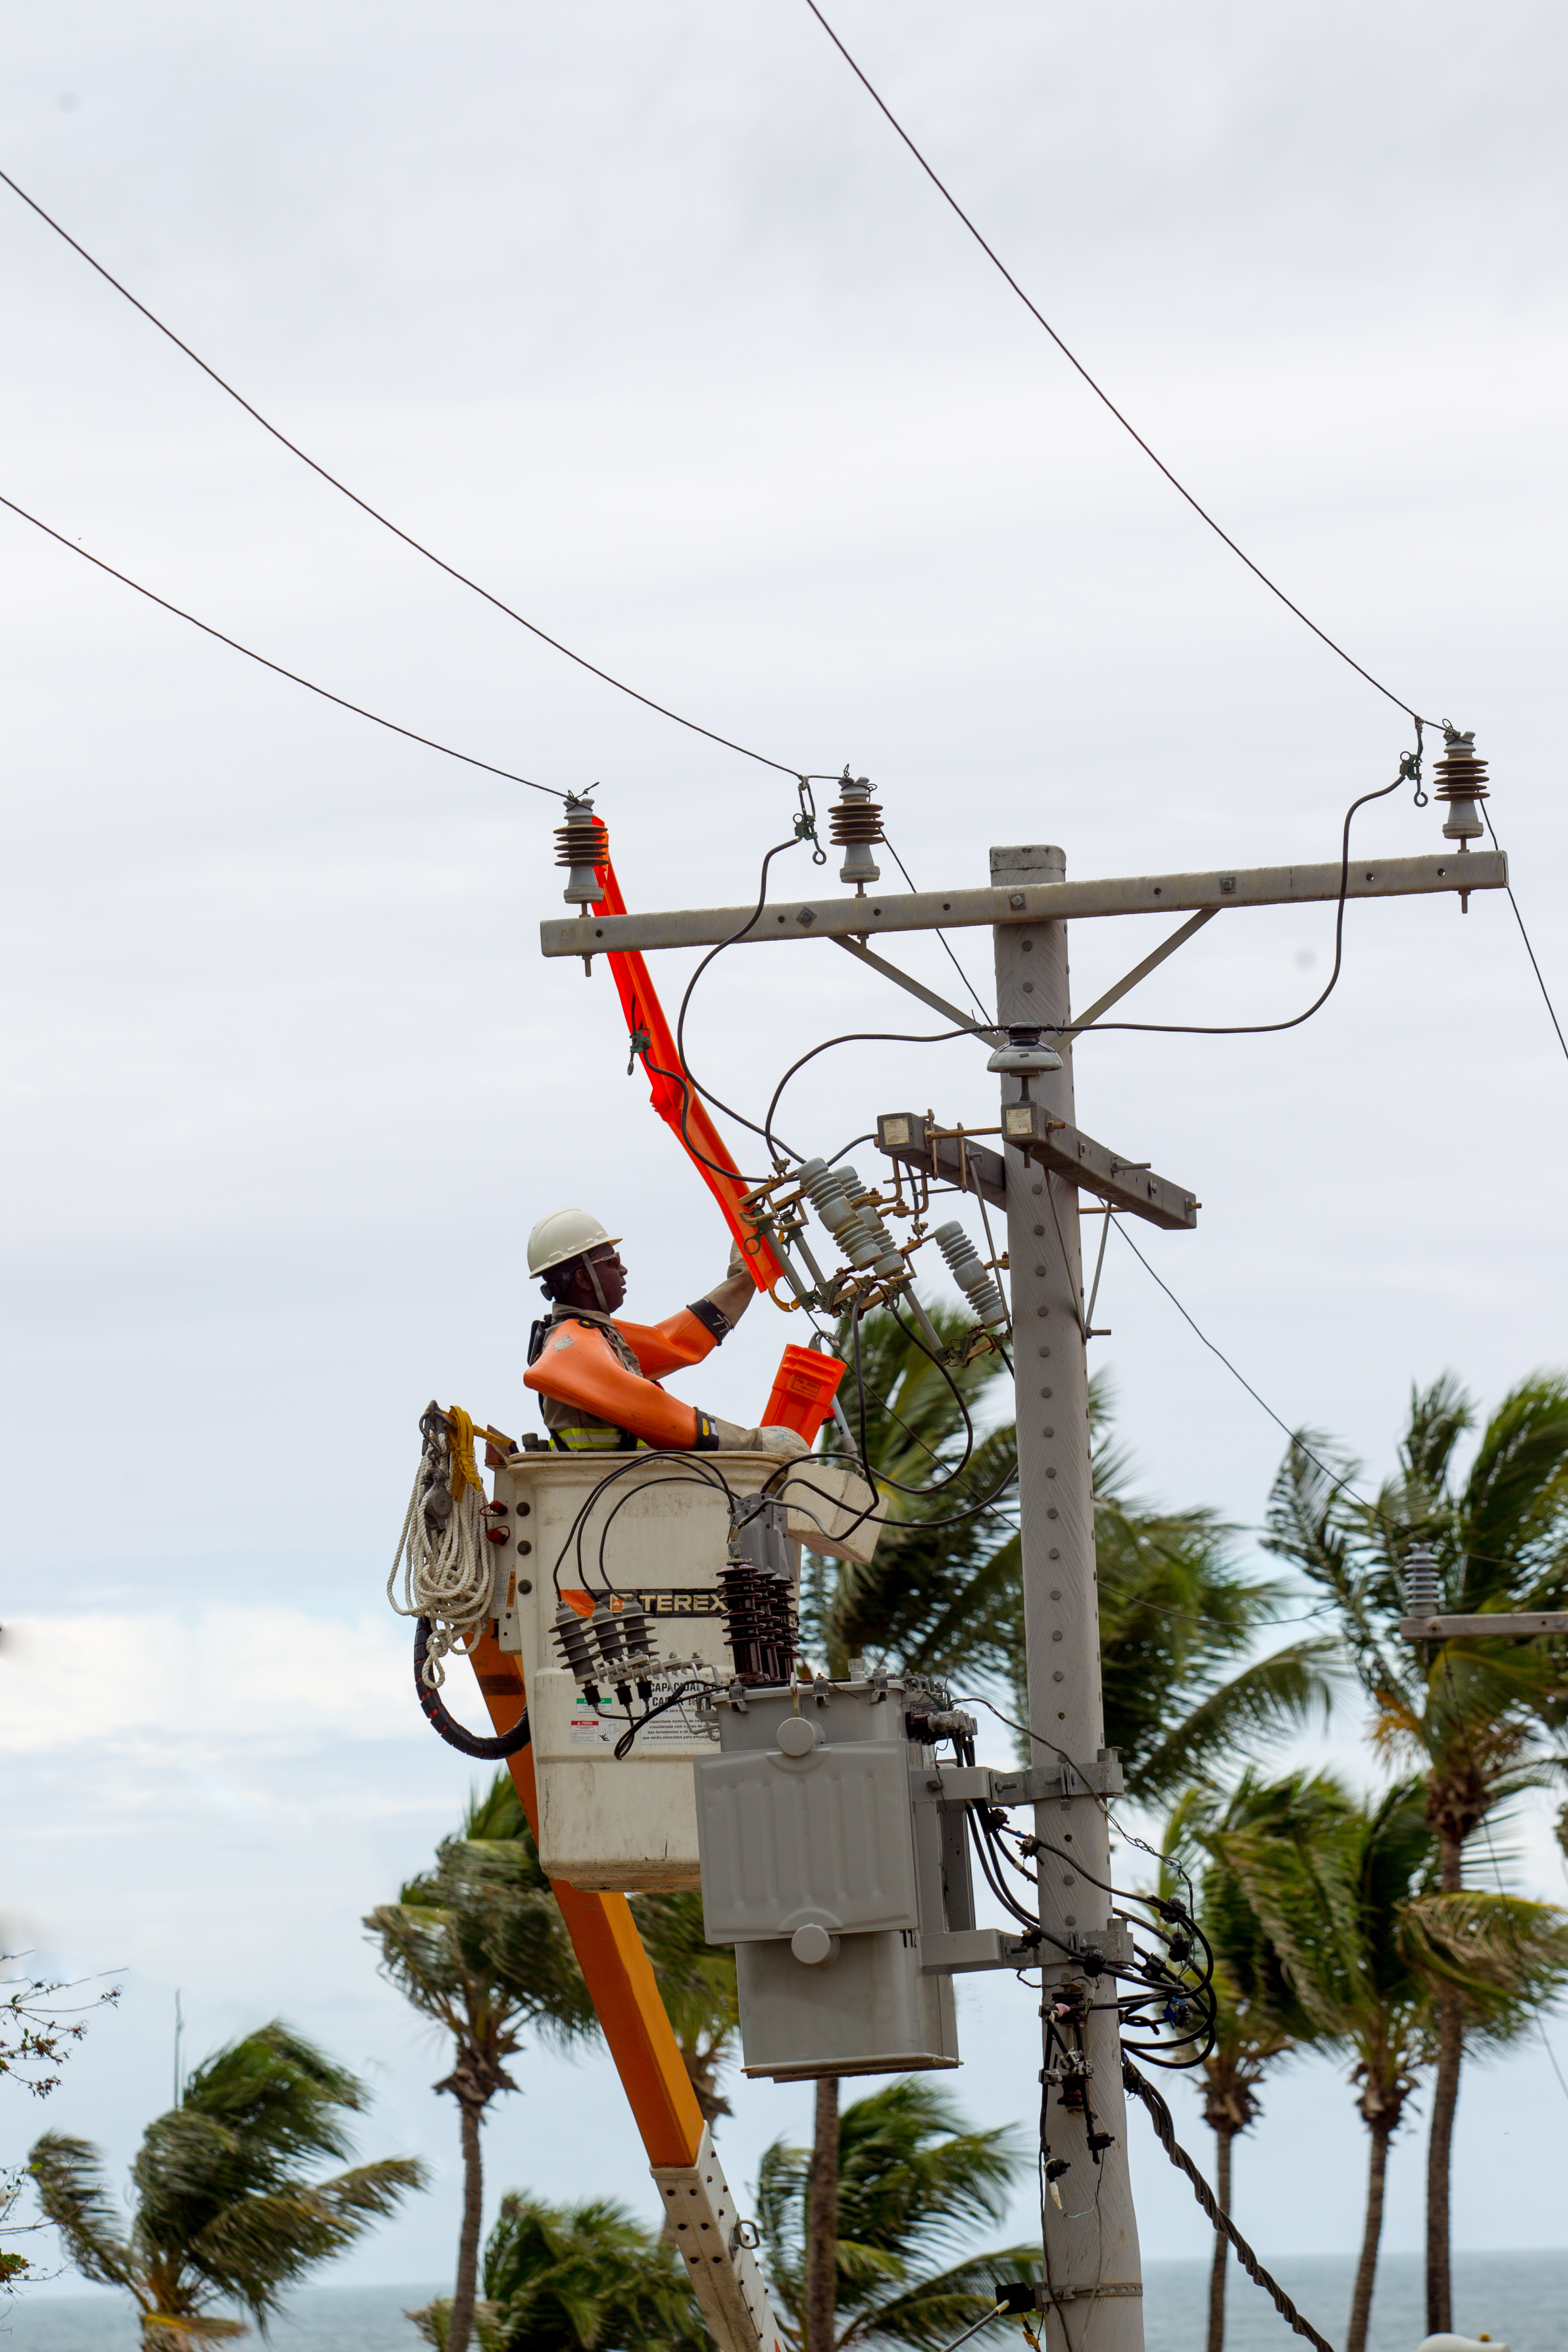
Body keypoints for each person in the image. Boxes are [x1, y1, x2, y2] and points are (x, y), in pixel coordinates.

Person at [523, 1209, 808, 1456]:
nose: (622, 1269)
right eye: (612, 1261)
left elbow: (676, 1342)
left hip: (615, 1490)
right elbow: (646, 1405)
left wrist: (744, 1279)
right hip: (602, 1496)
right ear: (584, 1278)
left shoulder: (596, 1336)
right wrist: (751, 1442)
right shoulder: (573, 1346)